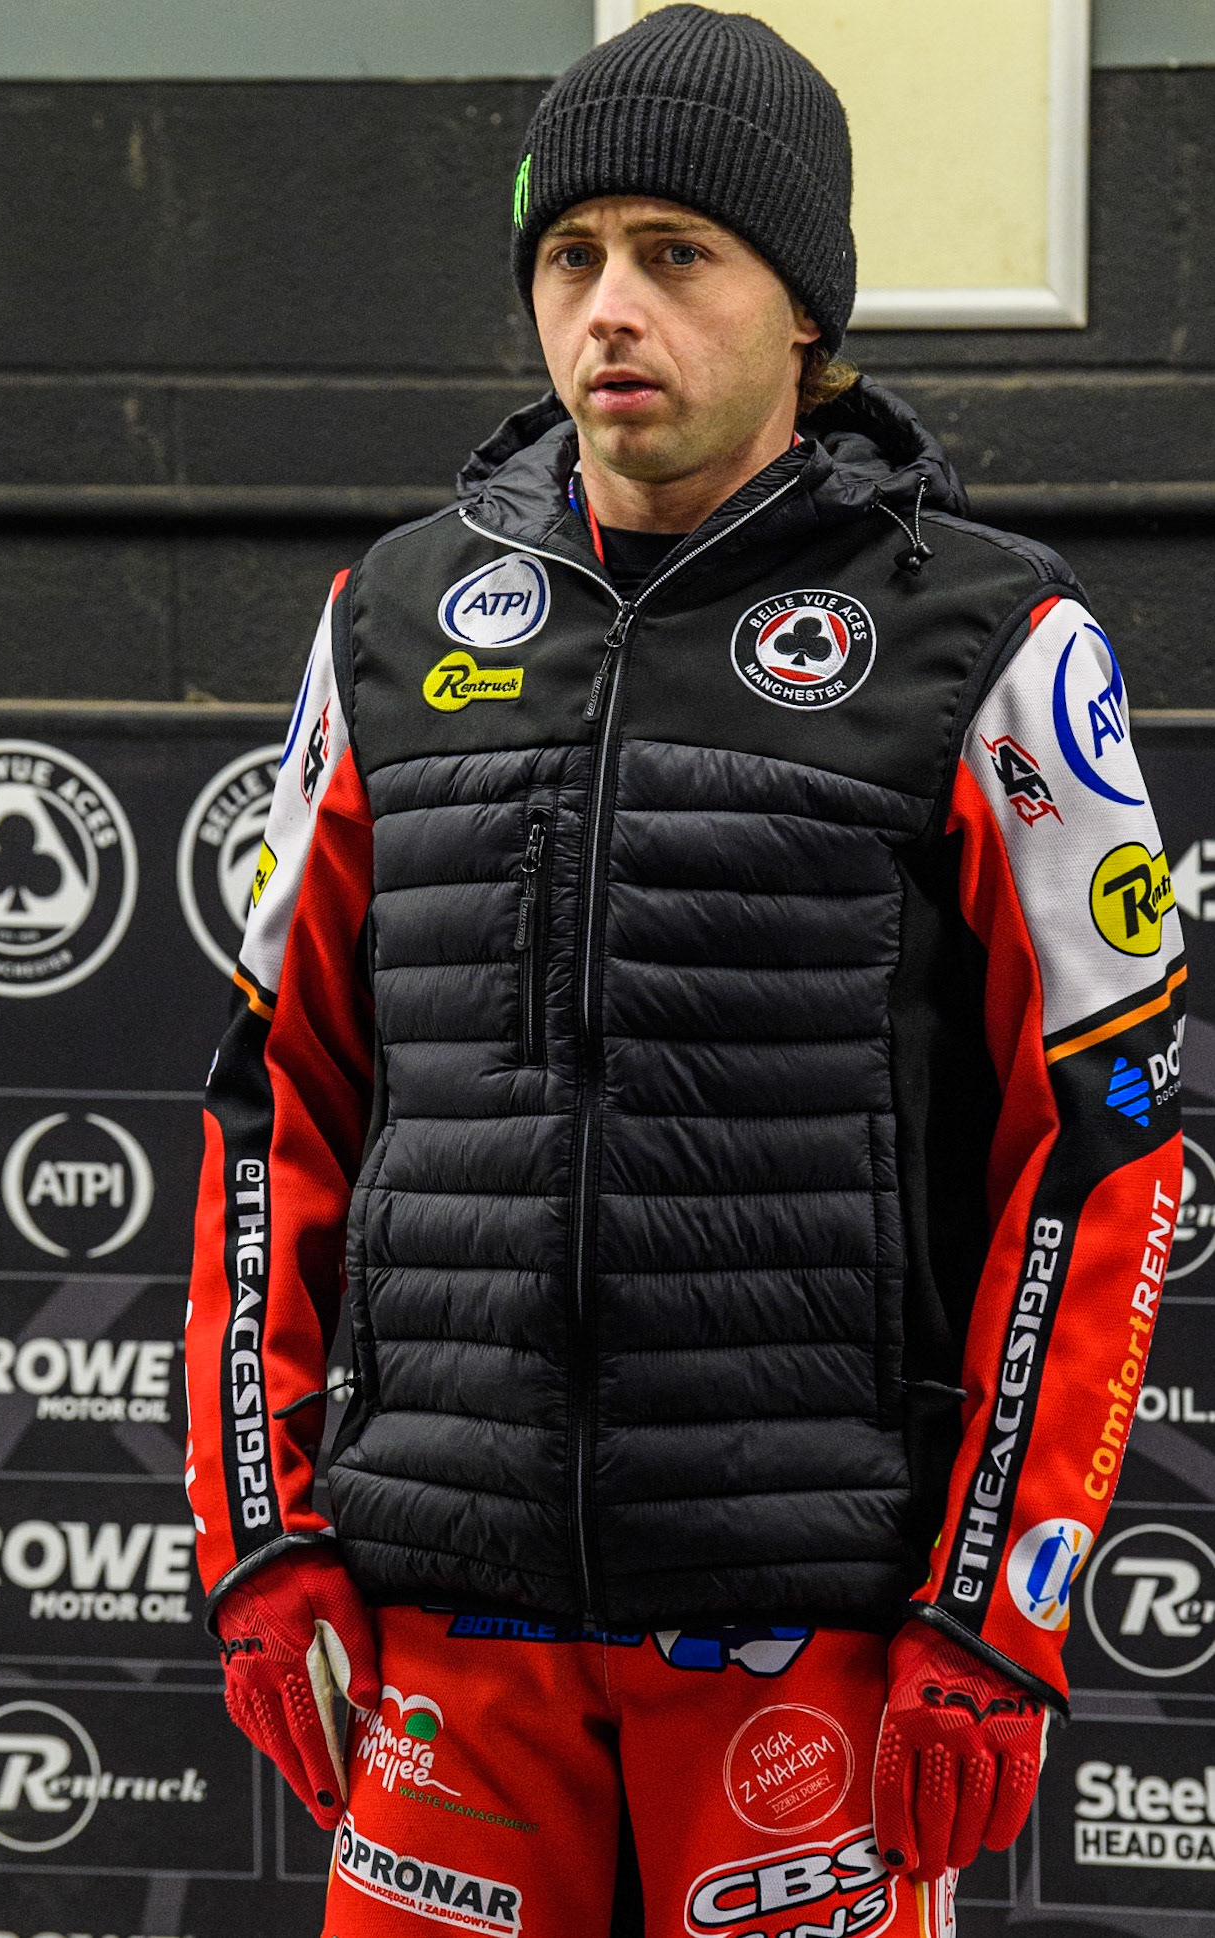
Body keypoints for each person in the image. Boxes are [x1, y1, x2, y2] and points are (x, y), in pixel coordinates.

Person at [184, 9, 1186, 1934]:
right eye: (572, 256)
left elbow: (1104, 1149)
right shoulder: (388, 619)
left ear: (804, 306)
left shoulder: (998, 639)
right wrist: (260, 1532)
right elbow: (272, 1094)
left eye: (676, 252)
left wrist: (999, 1607)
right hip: (447, 1644)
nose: (610, 308)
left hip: (807, 1650)